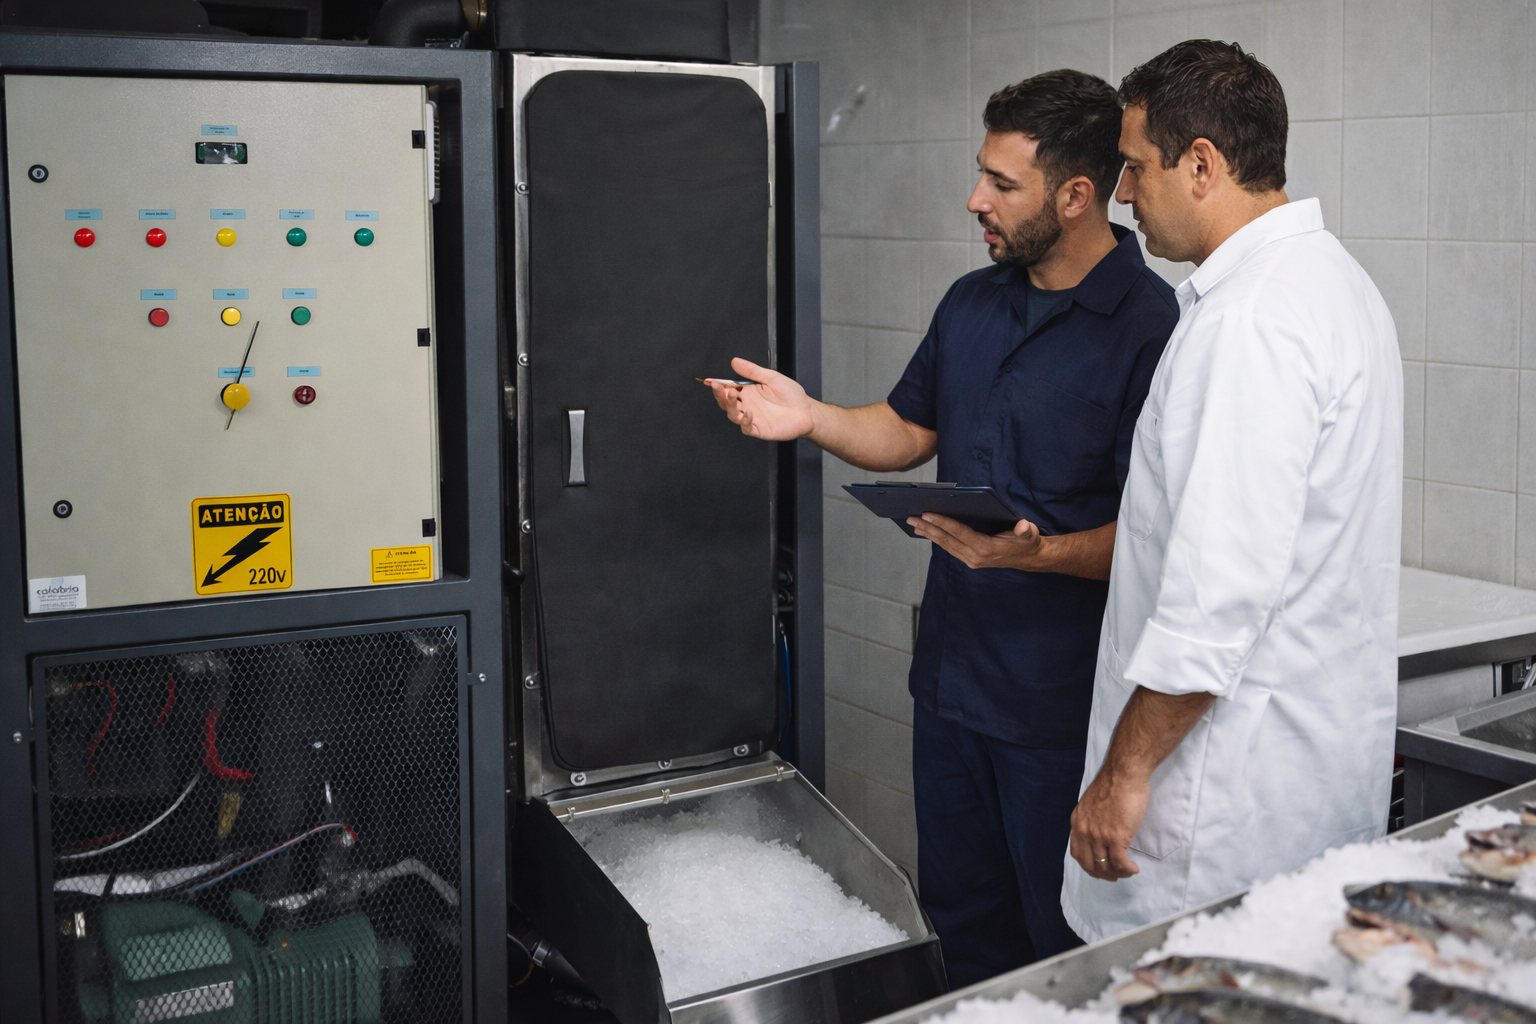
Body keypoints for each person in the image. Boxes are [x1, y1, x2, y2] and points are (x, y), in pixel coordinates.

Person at [704, 70, 1178, 985]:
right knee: (964, 928)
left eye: (1002, 184)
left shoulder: (1153, 329)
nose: (975, 200)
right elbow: (909, 429)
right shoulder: (973, 300)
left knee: (1066, 947)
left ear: (1076, 196)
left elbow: (1162, 540)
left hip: (1061, 713)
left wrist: (1037, 554)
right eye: (981, 174)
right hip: (954, 689)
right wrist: (811, 418)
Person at [1061, 40, 1402, 942]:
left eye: (1134, 167)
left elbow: (1216, 599)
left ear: (1202, 164)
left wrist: (1122, 774)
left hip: (1214, 816)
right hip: (1304, 785)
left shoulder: (1251, 322)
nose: (1123, 195)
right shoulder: (1335, 285)